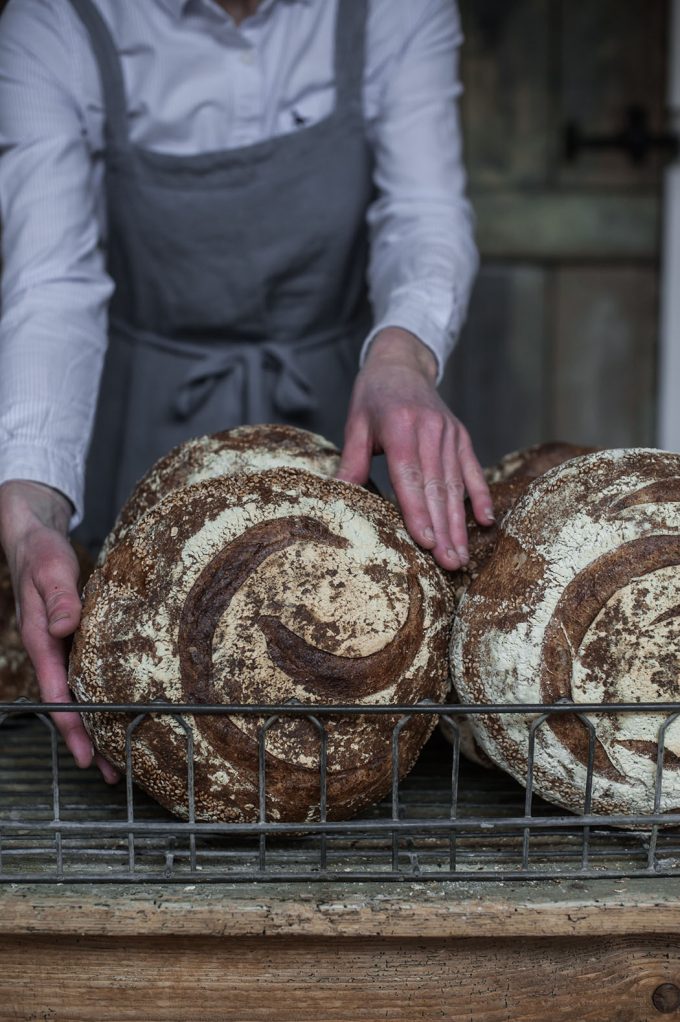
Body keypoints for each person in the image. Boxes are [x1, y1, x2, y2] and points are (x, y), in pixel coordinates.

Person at [0, 0, 492, 781]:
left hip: (340, 409)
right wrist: (31, 515)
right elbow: (52, 284)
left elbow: (422, 211)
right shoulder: (57, 19)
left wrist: (402, 356)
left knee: (348, 693)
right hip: (146, 410)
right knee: (163, 701)